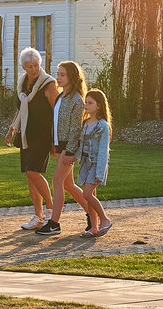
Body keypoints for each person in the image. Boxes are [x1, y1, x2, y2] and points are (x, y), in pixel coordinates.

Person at [4, 48, 57, 230]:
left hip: (43, 134)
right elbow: (21, 110)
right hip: (26, 134)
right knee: (29, 175)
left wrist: (55, 140)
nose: (33, 69)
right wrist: (12, 129)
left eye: (36, 65)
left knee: (34, 171)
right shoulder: (23, 83)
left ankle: (51, 212)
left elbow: (55, 112)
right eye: (29, 66)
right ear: (23, 67)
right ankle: (38, 216)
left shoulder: (49, 84)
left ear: (39, 64)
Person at [36, 61, 90, 236]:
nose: (58, 78)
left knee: (57, 182)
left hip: (68, 149)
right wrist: (54, 145)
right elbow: (56, 123)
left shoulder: (76, 100)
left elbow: (76, 129)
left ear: (72, 77)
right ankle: (93, 213)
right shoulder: (60, 97)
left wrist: (69, 151)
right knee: (69, 184)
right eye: (58, 74)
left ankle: (54, 224)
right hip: (59, 146)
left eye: (62, 75)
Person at [78, 88, 113, 238]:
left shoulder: (103, 126)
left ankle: (105, 219)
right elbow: (81, 146)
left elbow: (103, 151)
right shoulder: (86, 123)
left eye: (90, 103)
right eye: (86, 102)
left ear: (99, 105)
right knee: (90, 196)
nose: (86, 105)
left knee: (86, 194)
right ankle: (93, 228)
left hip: (96, 165)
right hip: (85, 163)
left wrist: (99, 172)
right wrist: (73, 156)